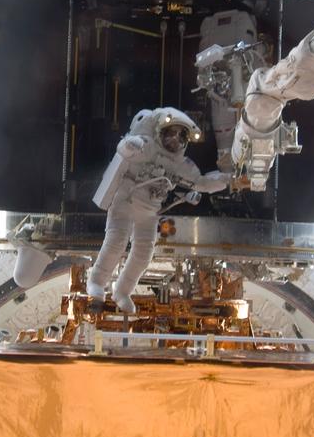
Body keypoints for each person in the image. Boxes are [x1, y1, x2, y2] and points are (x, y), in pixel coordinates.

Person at [87, 107, 229, 312]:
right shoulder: (145, 145)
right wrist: (131, 145)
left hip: (150, 211)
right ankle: (96, 284)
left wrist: (226, 180)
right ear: (159, 132)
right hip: (126, 201)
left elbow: (201, 183)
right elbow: (124, 149)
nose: (174, 140)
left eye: (181, 137)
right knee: (116, 243)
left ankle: (122, 291)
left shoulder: (181, 164)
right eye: (170, 133)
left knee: (143, 254)